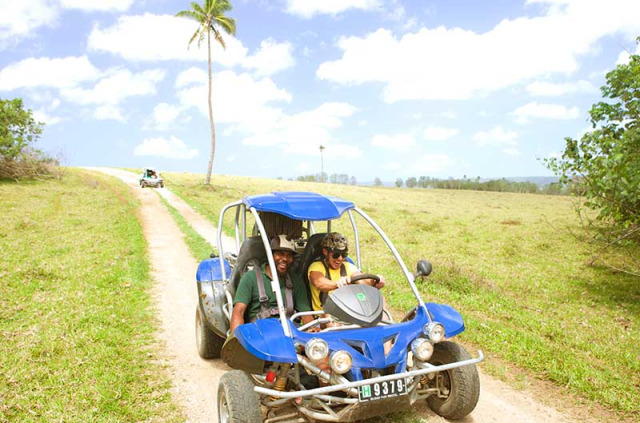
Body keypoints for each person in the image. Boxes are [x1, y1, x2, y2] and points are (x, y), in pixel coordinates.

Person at [230, 234, 314, 333]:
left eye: (289, 255)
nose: (285, 259)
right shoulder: (250, 278)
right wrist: (236, 340)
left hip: (290, 329)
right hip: (260, 330)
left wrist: (311, 331)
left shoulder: (295, 280)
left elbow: (305, 313)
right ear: (270, 254)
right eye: (280, 254)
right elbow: (238, 311)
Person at [308, 232, 385, 312]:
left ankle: (386, 323)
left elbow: (360, 278)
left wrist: (374, 281)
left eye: (344, 254)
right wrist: (337, 284)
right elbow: (319, 283)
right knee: (331, 317)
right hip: (325, 316)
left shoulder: (348, 266)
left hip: (348, 312)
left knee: (380, 297)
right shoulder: (316, 266)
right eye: (336, 255)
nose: (340, 259)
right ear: (325, 252)